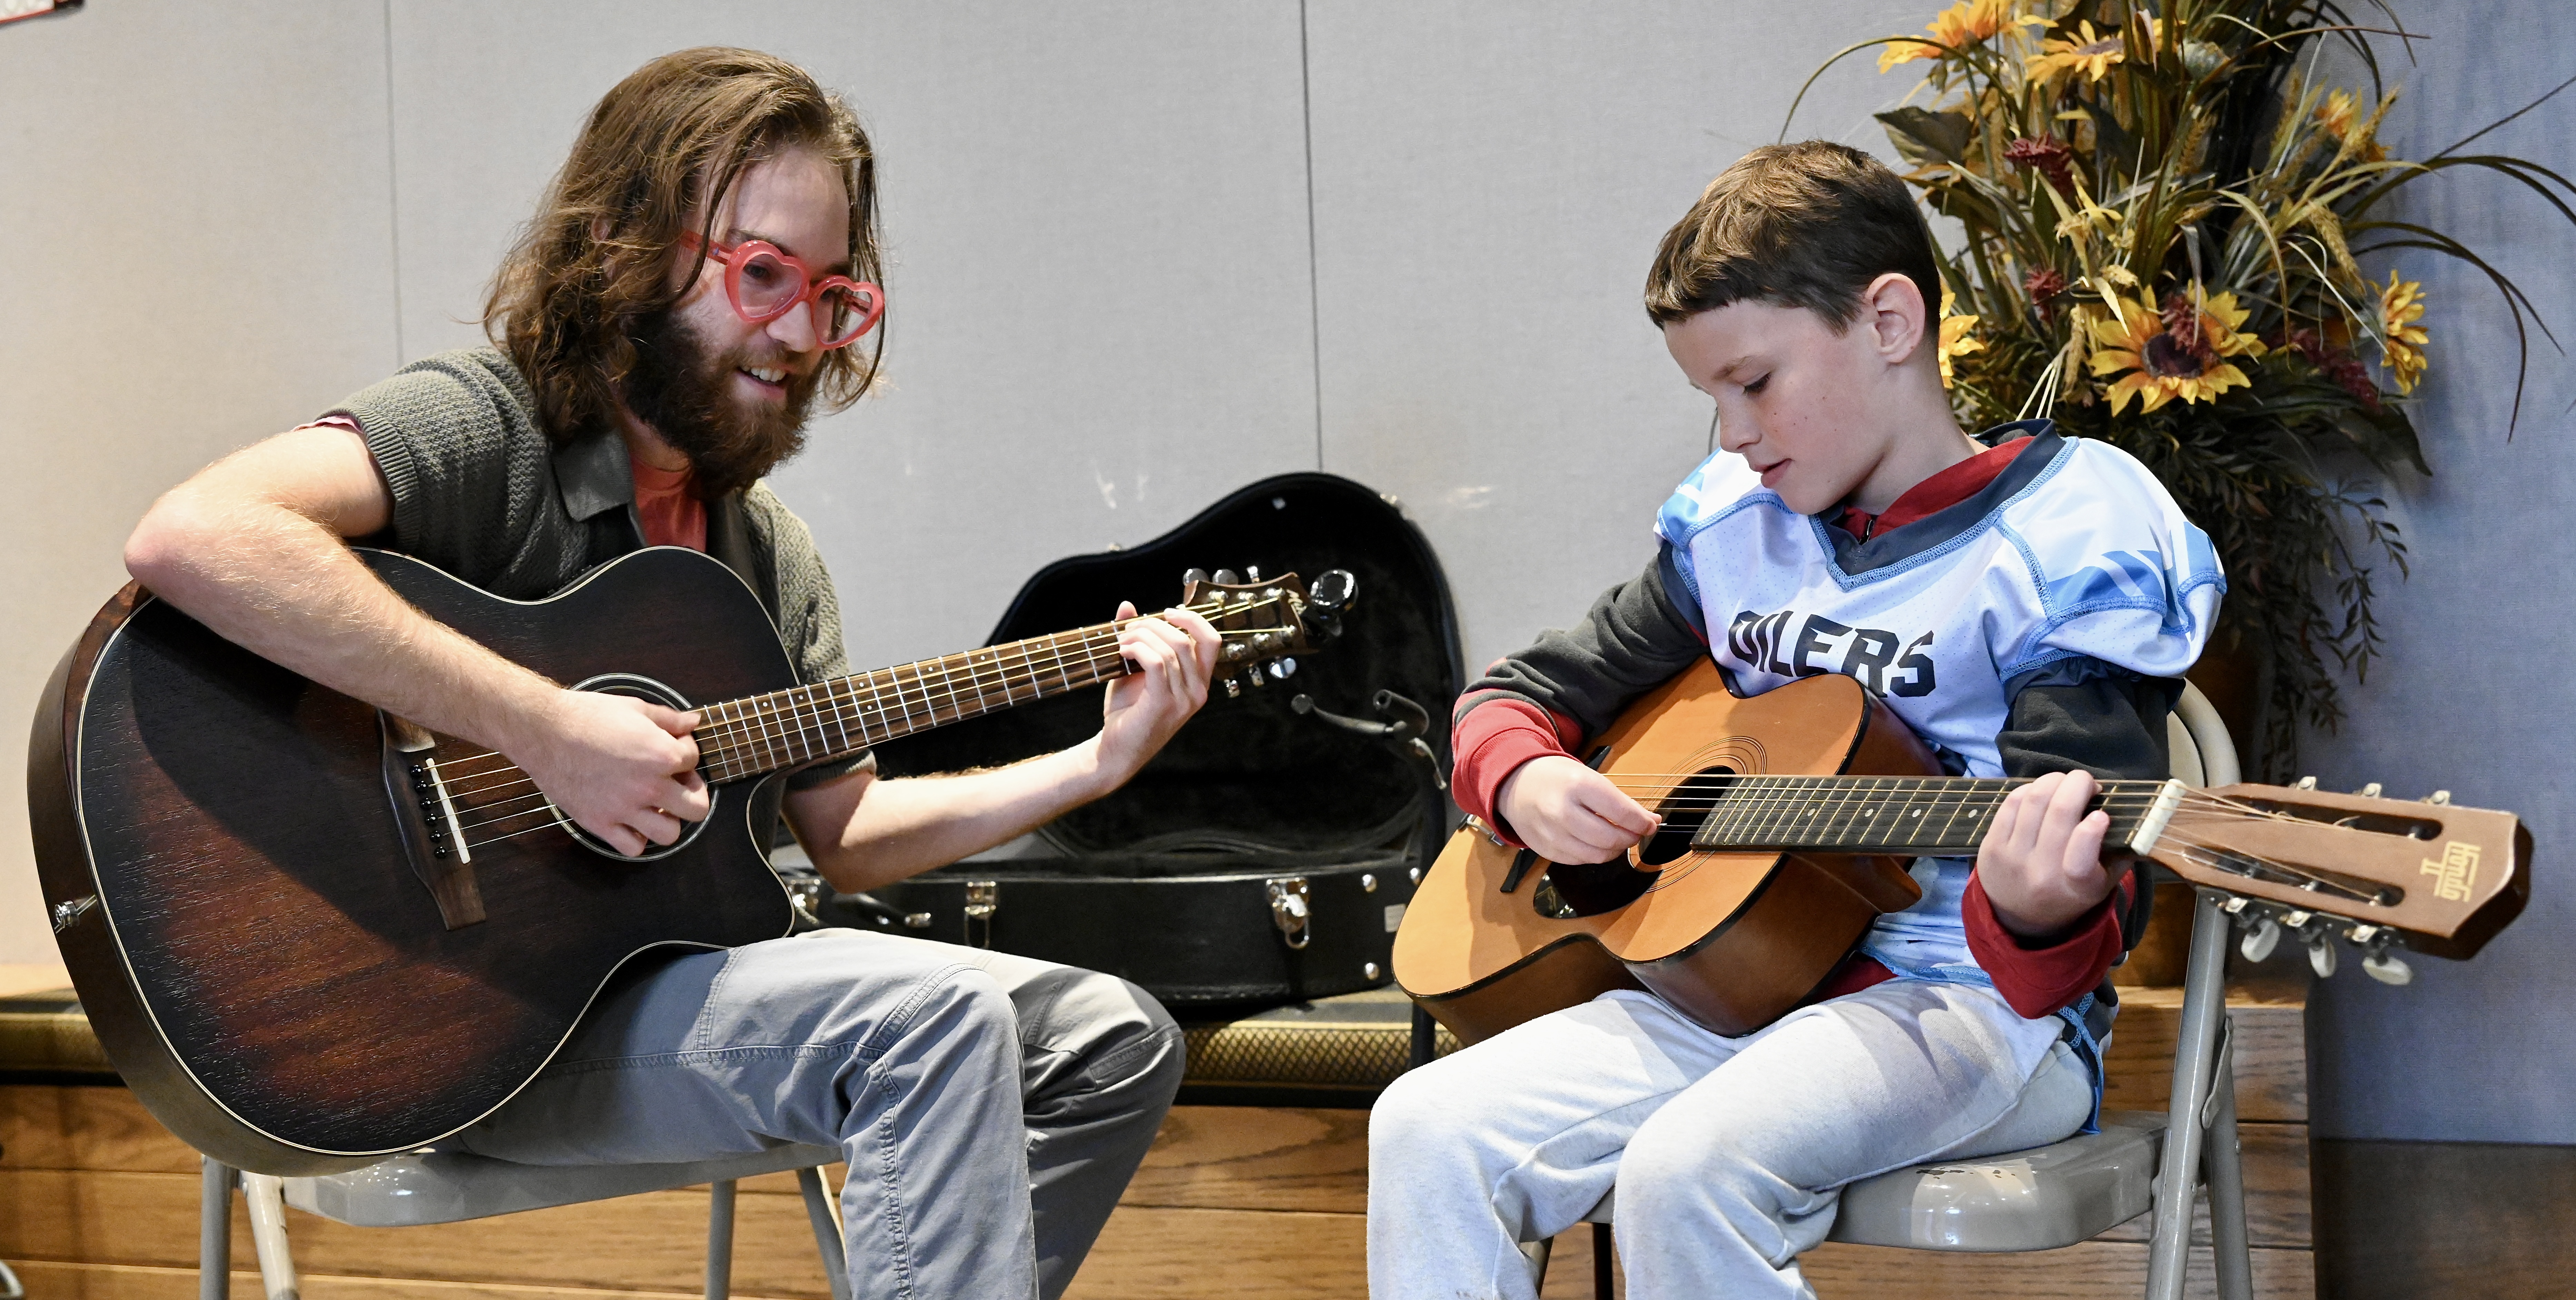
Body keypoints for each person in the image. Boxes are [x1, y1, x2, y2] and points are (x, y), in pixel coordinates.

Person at [120, 48, 1218, 1300]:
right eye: (761, 276)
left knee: (1112, 1043)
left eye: (833, 295)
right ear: (630, 248)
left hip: (677, 999)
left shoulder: (764, 555)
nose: (801, 336)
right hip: (458, 1016)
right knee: (933, 1018)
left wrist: (1097, 760)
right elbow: (195, 534)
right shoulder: (488, 430)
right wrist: (542, 728)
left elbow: (846, 833)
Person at [1367, 141, 2223, 1299]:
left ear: (1887, 321)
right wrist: (1520, 779)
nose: (1730, 433)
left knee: (1686, 1167)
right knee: (1425, 1125)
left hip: (1972, 1009)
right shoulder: (1735, 530)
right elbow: (1521, 693)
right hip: (1734, 985)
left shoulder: (2072, 535)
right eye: (1709, 395)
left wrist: (2037, 904)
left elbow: (2081, 895)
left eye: (1754, 382)